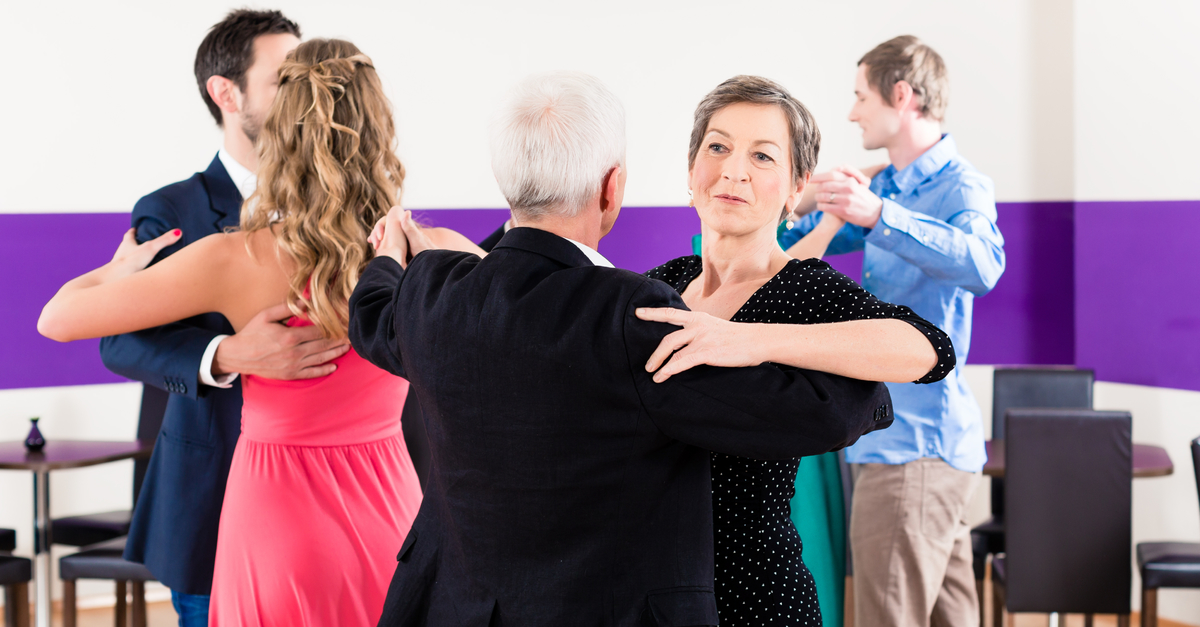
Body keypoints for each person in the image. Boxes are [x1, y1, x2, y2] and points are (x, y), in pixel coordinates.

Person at [348, 71, 896, 627]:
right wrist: (864, 389)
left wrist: (390, 257)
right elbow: (809, 415)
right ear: (612, 188)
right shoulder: (633, 315)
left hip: (452, 607)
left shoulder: (434, 293)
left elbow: (371, 315)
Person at [39, 39, 464, 625]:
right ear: (378, 134)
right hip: (390, 506)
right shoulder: (431, 250)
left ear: (282, 137)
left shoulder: (233, 258)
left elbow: (56, 318)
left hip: (274, 518)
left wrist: (115, 271)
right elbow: (558, 292)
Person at [638, 75, 955, 627]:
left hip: (753, 592)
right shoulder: (660, 285)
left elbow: (929, 349)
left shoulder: (802, 286)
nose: (734, 170)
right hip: (650, 589)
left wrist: (749, 339)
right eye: (718, 147)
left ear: (793, 189)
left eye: (762, 156)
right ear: (692, 171)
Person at [93, 10, 341, 626]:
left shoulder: (340, 201)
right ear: (225, 93)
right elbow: (119, 340)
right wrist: (226, 356)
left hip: (330, 499)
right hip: (214, 496)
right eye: (285, 79)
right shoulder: (171, 209)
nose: (304, 95)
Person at [779, 36, 1005, 627]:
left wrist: (881, 215)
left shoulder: (959, 186)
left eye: (860, 97)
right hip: (923, 450)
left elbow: (984, 265)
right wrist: (806, 199)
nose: (852, 112)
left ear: (901, 96)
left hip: (915, 451)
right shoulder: (886, 186)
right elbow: (790, 254)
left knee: (886, 617)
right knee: (950, 617)